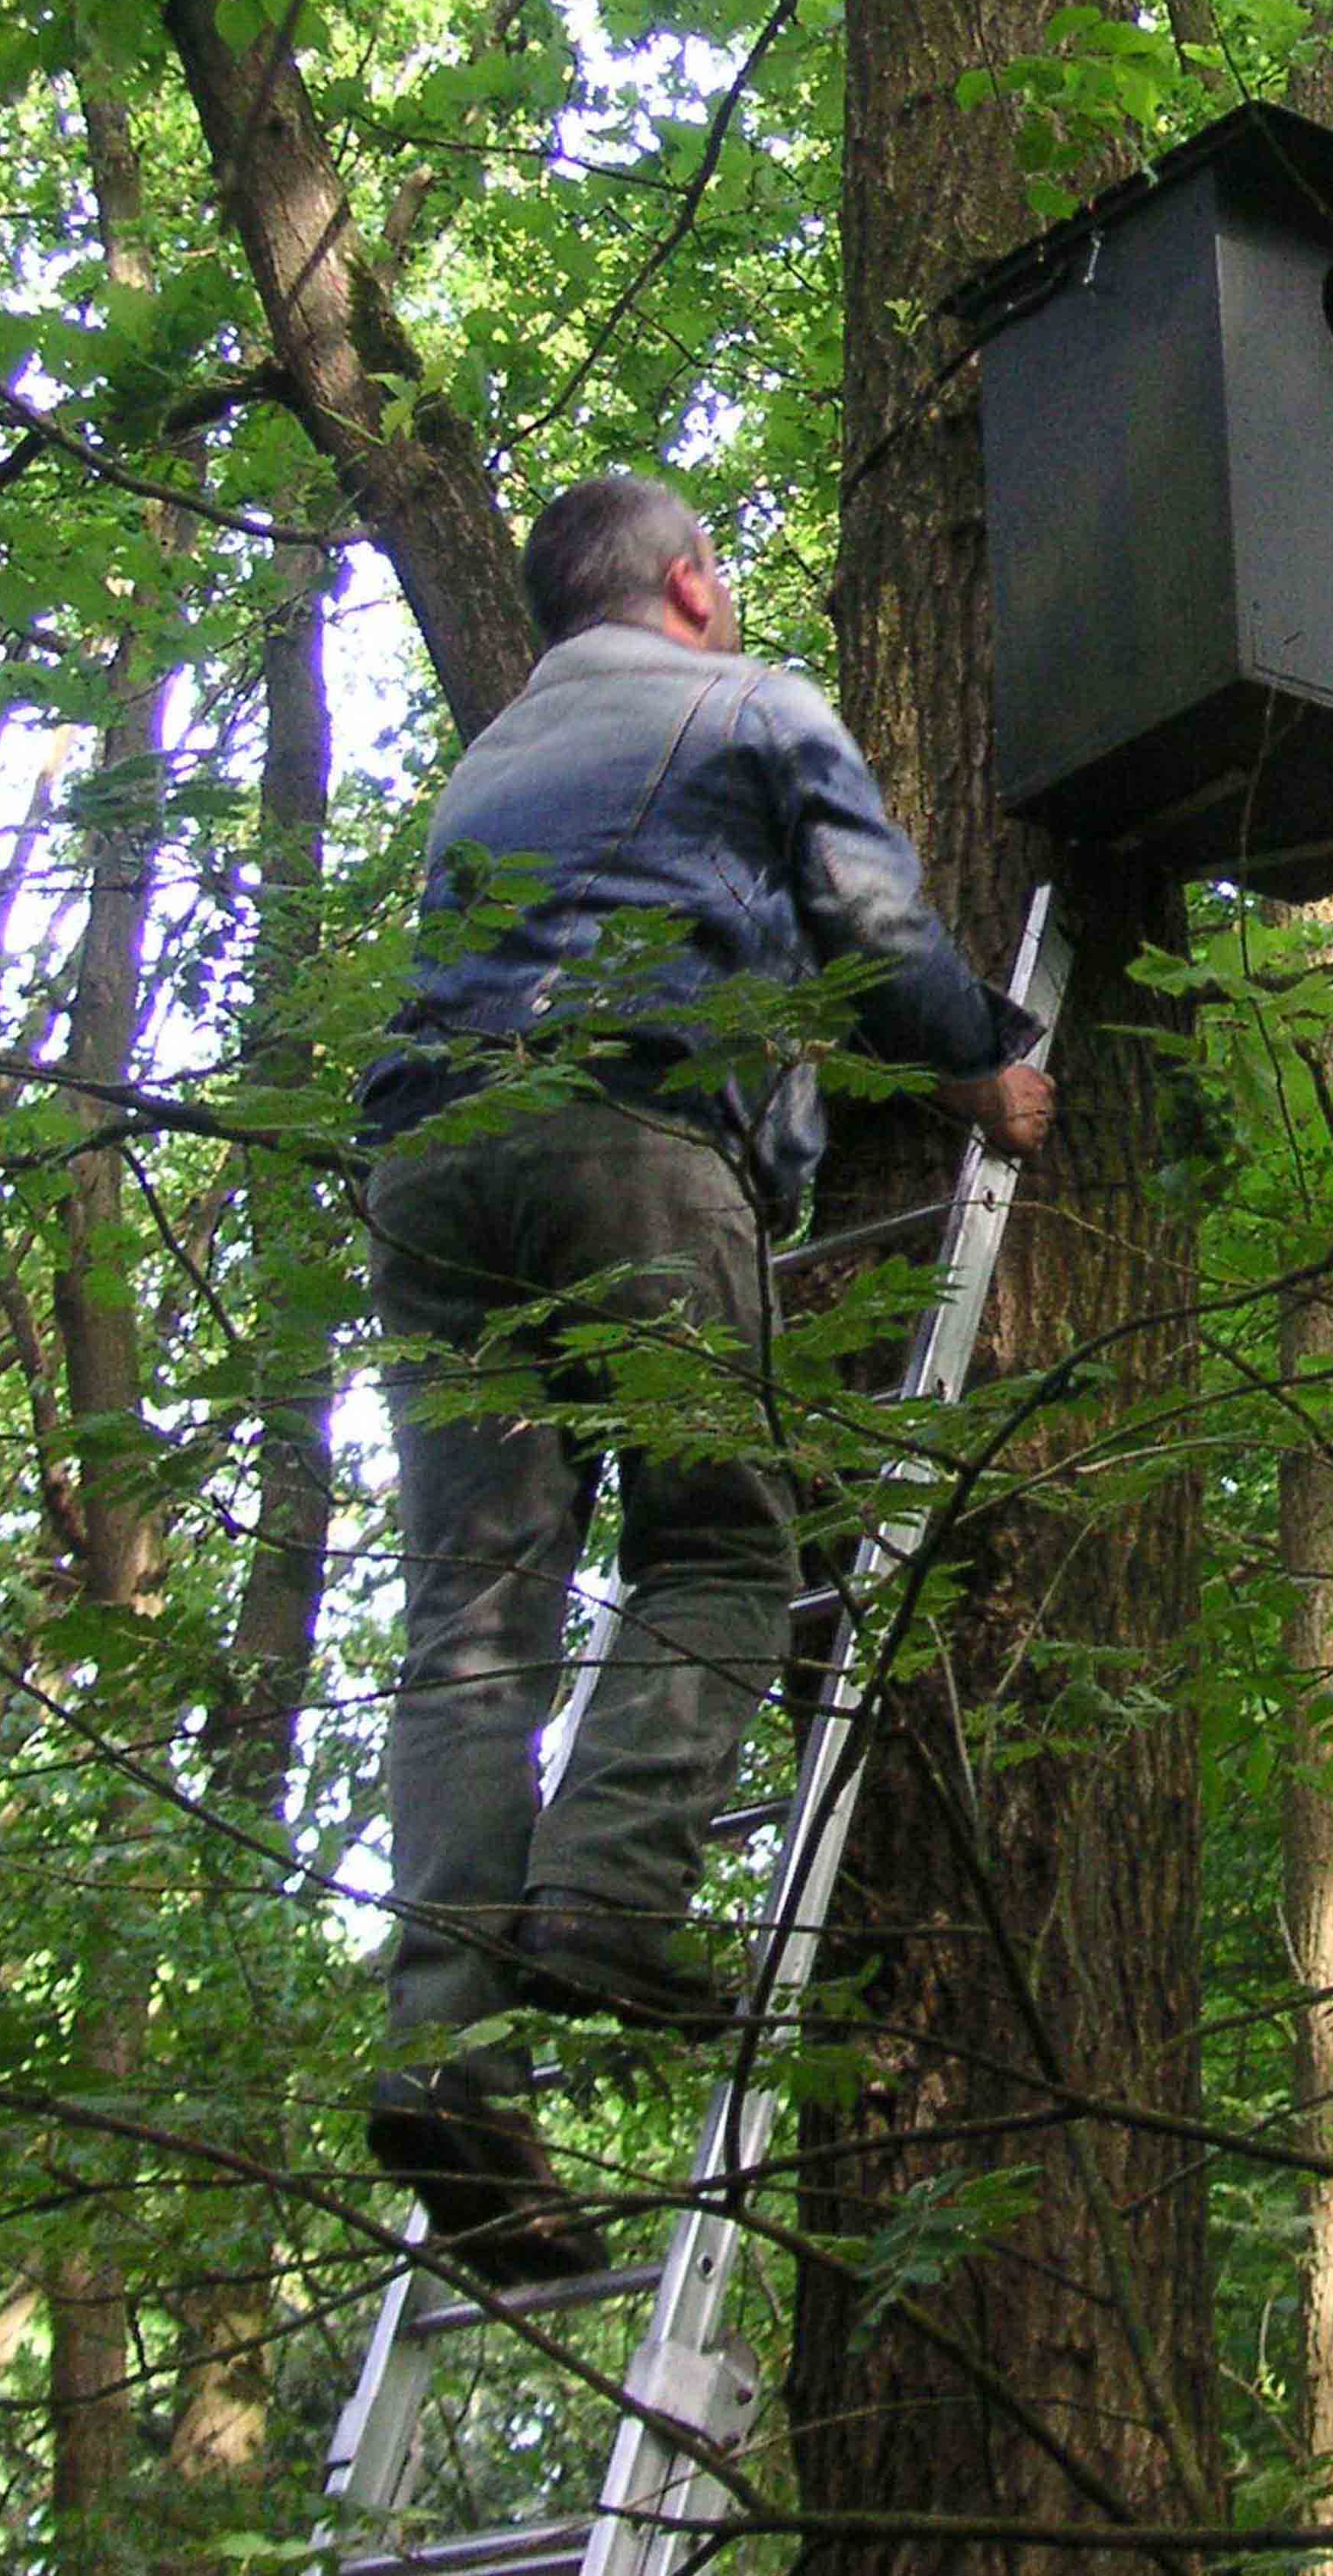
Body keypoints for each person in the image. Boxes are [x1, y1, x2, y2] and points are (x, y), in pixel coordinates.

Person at [354, 472, 1054, 2284]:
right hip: (629, 1143)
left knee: (474, 1618)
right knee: (723, 1544)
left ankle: (442, 2043)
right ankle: (606, 1895)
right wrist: (988, 1066)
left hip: (433, 1173)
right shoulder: (750, 703)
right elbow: (884, 944)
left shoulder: (494, 755)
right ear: (686, 582)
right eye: (719, 573)